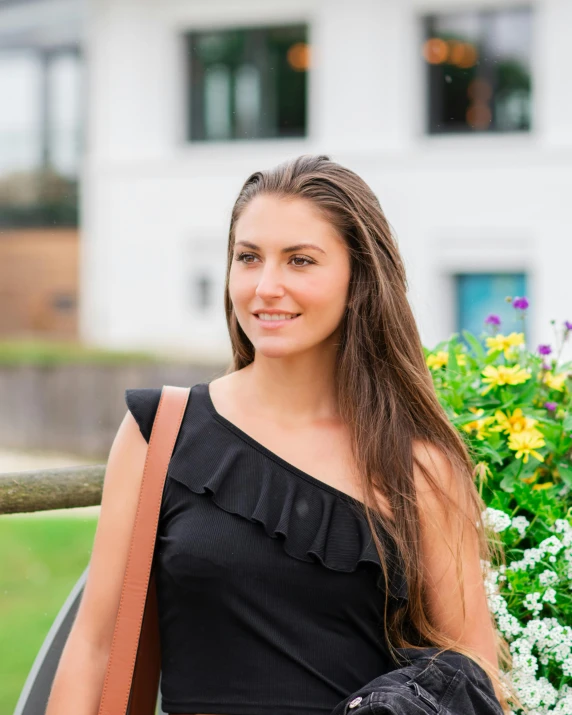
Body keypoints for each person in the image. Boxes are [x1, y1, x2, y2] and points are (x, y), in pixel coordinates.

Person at [46, 154, 514, 715]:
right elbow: (94, 647)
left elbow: (473, 676)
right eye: (248, 258)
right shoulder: (161, 432)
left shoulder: (418, 464)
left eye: (300, 261)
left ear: (358, 278)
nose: (267, 286)